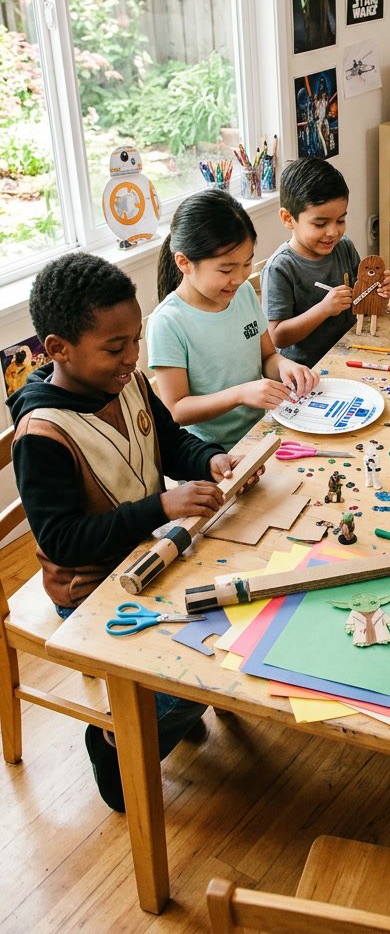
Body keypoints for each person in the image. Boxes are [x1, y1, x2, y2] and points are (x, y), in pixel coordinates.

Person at [9, 252, 245, 813]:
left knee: (234, 630)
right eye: (115, 348)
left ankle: (165, 710)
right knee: (198, 672)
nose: (132, 357)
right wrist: (158, 506)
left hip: (151, 553)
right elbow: (63, 541)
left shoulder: (130, 382)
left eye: (135, 340)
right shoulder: (42, 434)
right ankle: (115, 740)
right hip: (91, 588)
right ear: (59, 348)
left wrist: (209, 458)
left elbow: (173, 443)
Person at [147, 187, 317, 452]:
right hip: (212, 455)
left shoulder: (243, 292)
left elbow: (267, 357)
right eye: (226, 269)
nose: (238, 278)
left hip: (264, 430)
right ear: (184, 262)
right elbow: (176, 409)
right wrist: (240, 394)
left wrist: (285, 367)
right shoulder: (168, 322)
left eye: (246, 264)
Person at [262, 157, 390, 368]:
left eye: (340, 220)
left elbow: (363, 305)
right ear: (288, 219)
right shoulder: (280, 268)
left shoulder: (344, 247)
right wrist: (323, 309)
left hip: (352, 352)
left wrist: (380, 291)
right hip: (307, 372)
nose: (333, 232)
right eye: (320, 223)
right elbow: (277, 336)